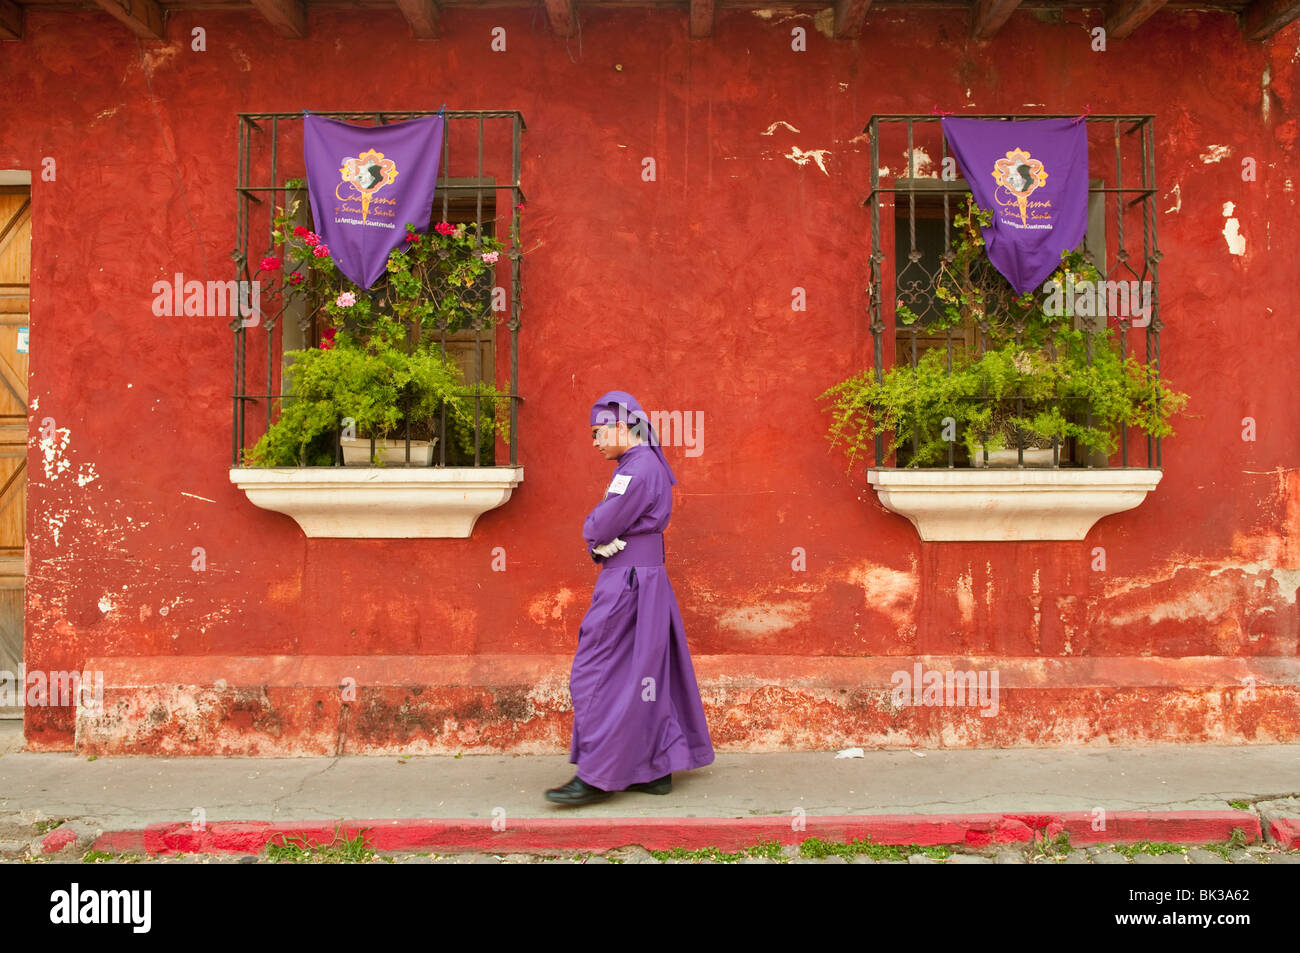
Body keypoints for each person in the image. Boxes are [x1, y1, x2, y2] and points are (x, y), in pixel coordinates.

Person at [544, 390, 716, 806]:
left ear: (622, 427)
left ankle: (598, 774)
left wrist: (595, 533)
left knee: (595, 672)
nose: (595, 441)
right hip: (644, 580)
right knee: (644, 675)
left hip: (627, 581)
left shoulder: (635, 470)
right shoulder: (646, 464)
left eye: (598, 432)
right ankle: (654, 768)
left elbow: (599, 525)